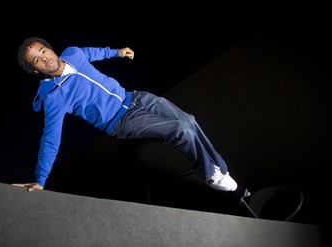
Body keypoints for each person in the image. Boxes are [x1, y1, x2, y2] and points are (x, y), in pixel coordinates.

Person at [13, 36, 248, 198]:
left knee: (190, 120)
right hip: (120, 121)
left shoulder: (72, 53)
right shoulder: (54, 97)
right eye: (37, 60)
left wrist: (117, 52)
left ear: (50, 48)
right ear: (37, 70)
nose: (44, 58)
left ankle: (220, 170)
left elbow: (93, 52)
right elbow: (50, 138)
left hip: (134, 98)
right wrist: (40, 179)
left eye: (43, 51)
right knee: (180, 130)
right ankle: (208, 174)